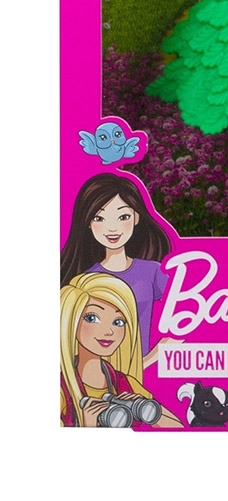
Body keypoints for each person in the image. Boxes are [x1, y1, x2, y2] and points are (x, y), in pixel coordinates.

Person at [60, 173, 173, 367]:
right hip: (103, 375)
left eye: (123, 217)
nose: (112, 228)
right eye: (99, 218)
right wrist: (154, 356)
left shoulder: (152, 272)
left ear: (136, 217)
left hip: (144, 374)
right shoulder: (85, 282)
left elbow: (183, 310)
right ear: (88, 222)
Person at [59, 272, 182, 428]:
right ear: (70, 321)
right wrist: (87, 426)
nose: (109, 331)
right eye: (92, 318)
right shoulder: (62, 388)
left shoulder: (125, 383)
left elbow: (179, 429)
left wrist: (143, 409)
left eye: (118, 322)